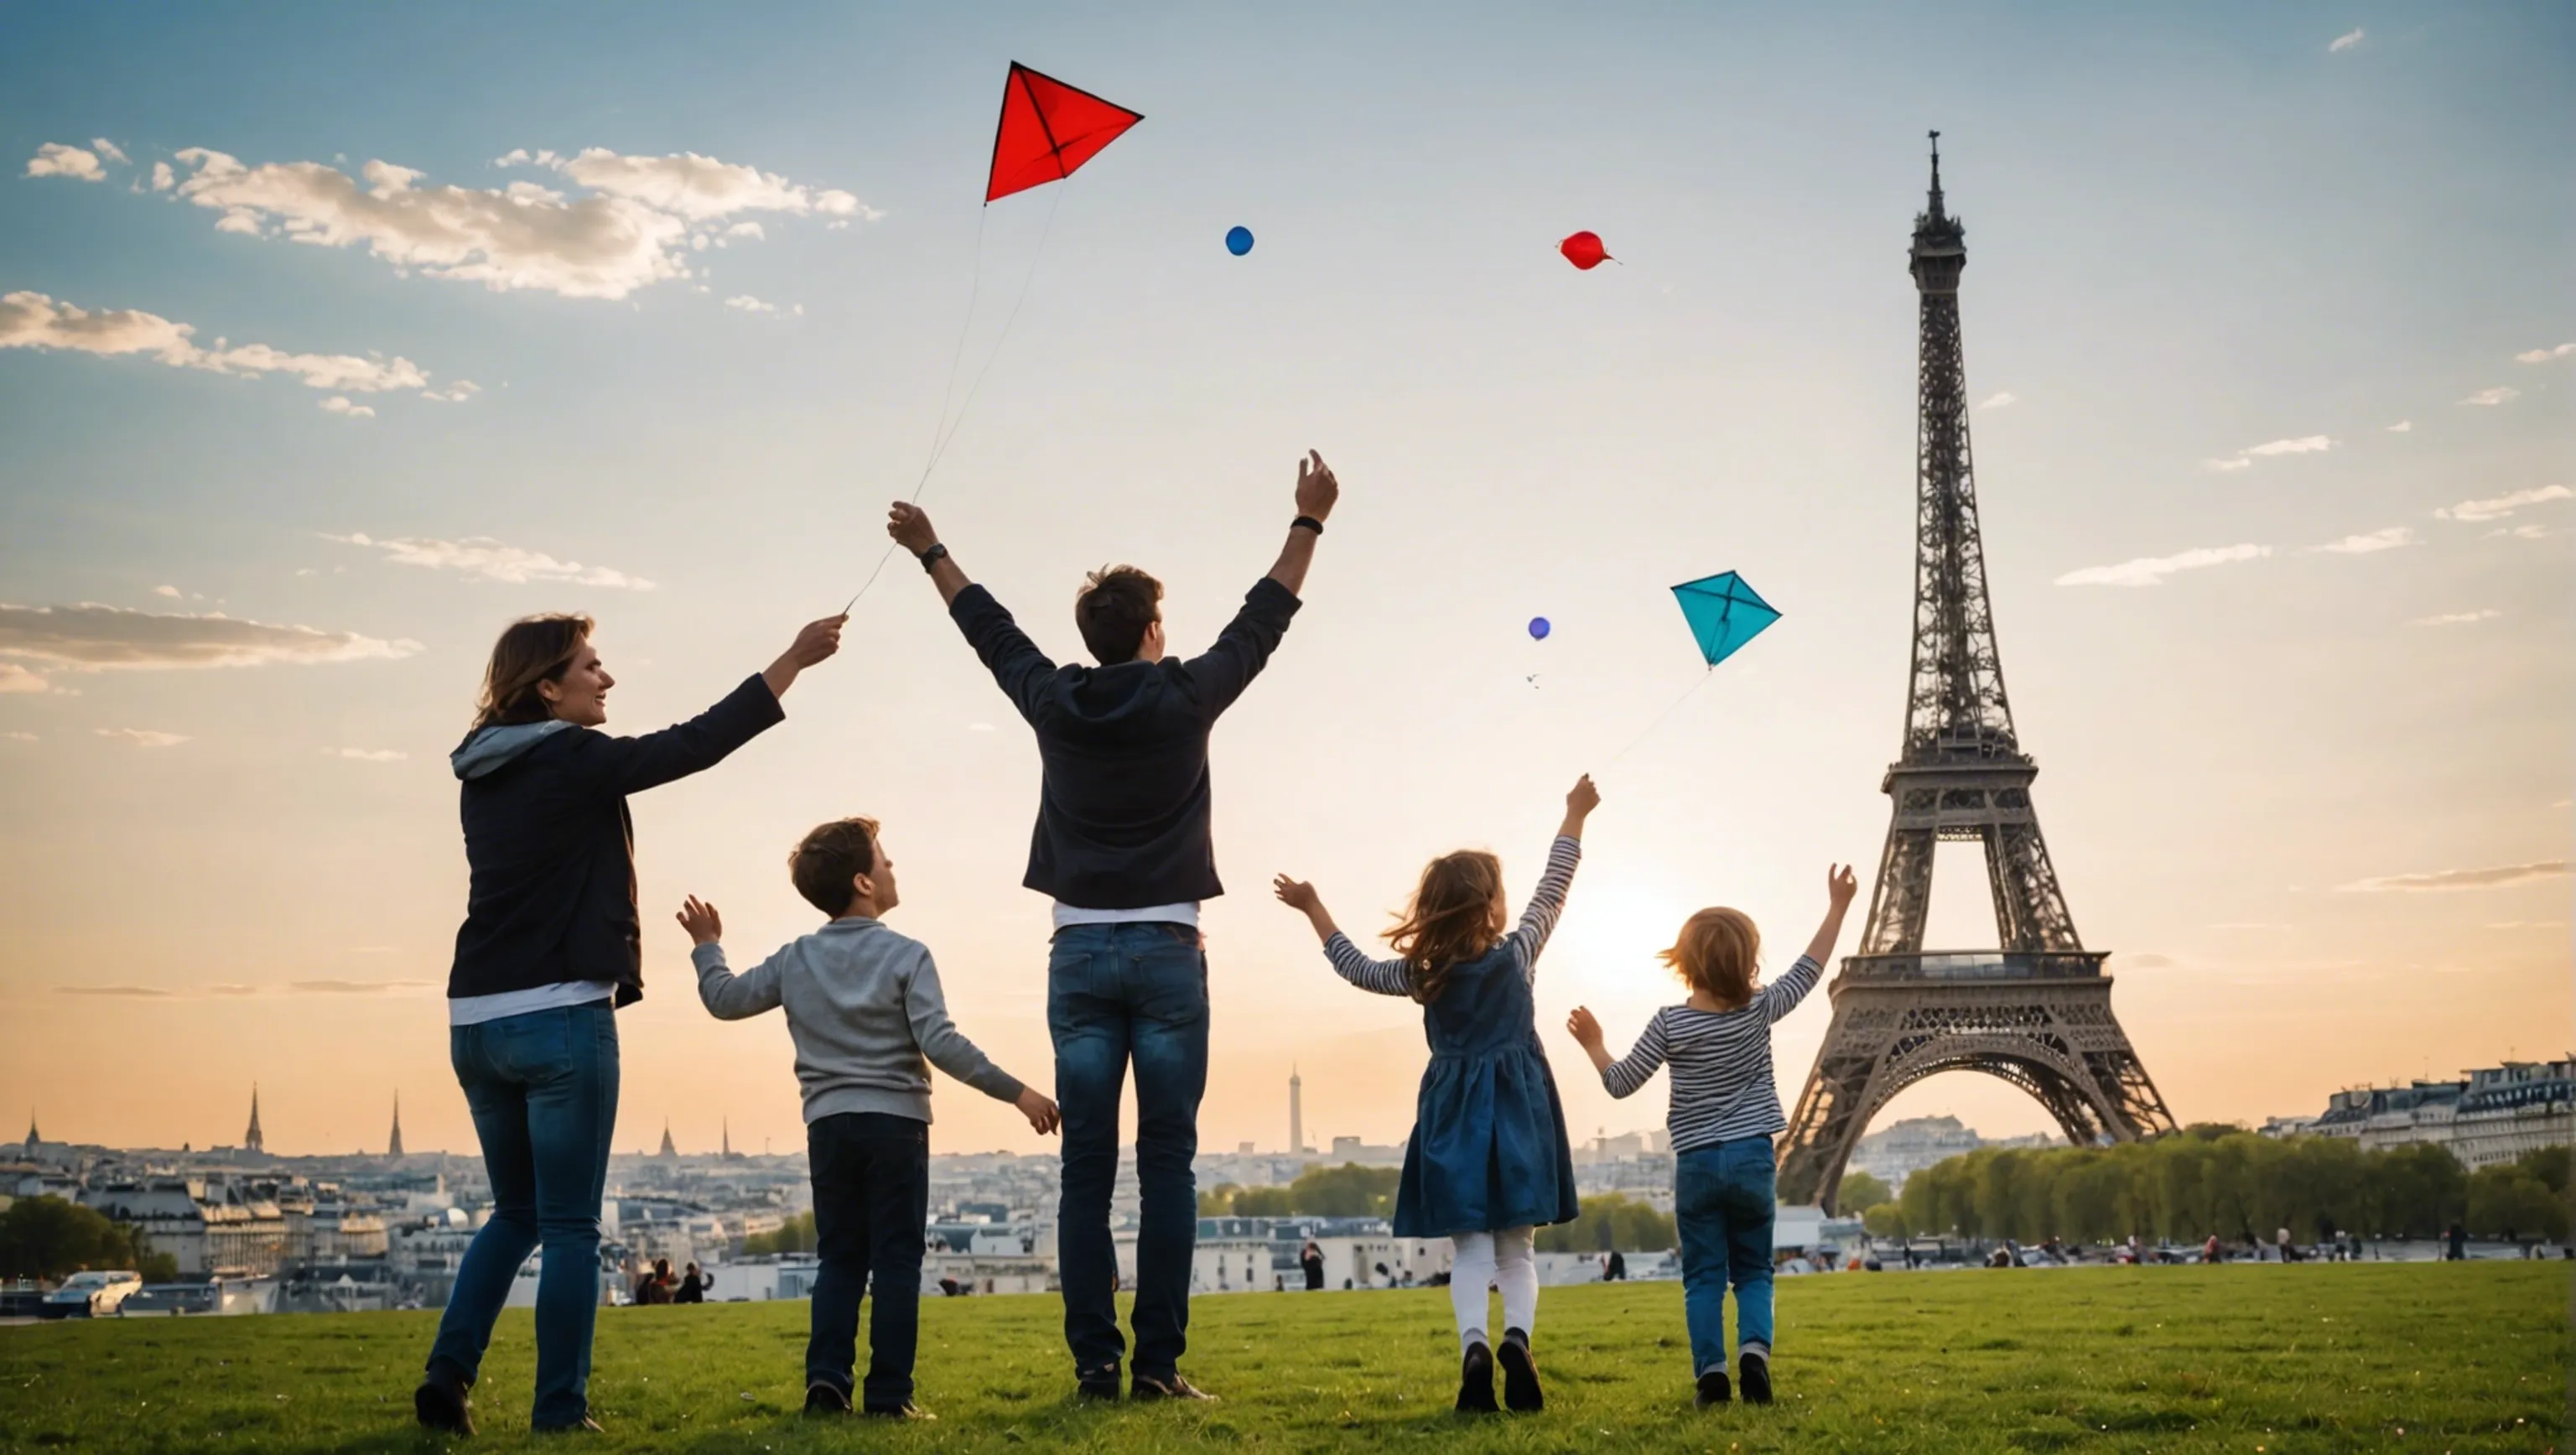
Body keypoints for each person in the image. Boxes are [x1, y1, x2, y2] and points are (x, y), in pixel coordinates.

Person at [887, 451, 1339, 1403]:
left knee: (1085, 1170)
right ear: (1150, 632)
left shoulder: (1054, 699)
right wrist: (1308, 521)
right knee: (1166, 1163)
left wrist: (932, 548)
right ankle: (1159, 1367)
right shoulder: (1183, 696)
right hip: (1171, 952)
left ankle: (1095, 1364)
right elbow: (1265, 622)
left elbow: (991, 631)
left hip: (1080, 951)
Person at [415, 610, 844, 1437]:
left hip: (475, 1019)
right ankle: (560, 1411)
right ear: (548, 687)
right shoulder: (569, 757)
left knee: (516, 1213)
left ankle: (450, 1370)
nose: (606, 679)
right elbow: (693, 744)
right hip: (560, 1015)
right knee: (573, 1222)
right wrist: (791, 660)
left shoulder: (482, 772)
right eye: (591, 666)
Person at [683, 816, 1061, 1419]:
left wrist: (707, 945)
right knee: (896, 1261)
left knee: (840, 1257)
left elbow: (724, 999)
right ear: (863, 881)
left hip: (828, 1125)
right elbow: (941, 1042)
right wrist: (1019, 1093)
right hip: (896, 1125)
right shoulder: (907, 954)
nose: (892, 868)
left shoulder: (796, 957)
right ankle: (889, 1394)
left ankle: (827, 1381)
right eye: (885, 860)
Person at [1274, 775, 1597, 1416]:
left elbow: (1356, 967)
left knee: (1471, 1248)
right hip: (1519, 1108)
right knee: (1517, 1247)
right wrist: (1575, 815)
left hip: (1452, 1112)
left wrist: (1314, 907)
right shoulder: (1516, 954)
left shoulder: (1425, 972)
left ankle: (1475, 1345)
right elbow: (1554, 887)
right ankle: (1517, 1339)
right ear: (1491, 906)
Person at [1566, 864, 1857, 1411]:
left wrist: (1595, 1043)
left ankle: (1713, 1377)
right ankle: (1754, 1354)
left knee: (1702, 1276)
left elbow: (1621, 1082)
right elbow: (1811, 967)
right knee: (1753, 1270)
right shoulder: (1761, 1007)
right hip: (1752, 1155)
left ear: (1685, 963)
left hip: (1697, 1162)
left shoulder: (1670, 1023)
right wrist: (1837, 907)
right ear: (1748, 961)